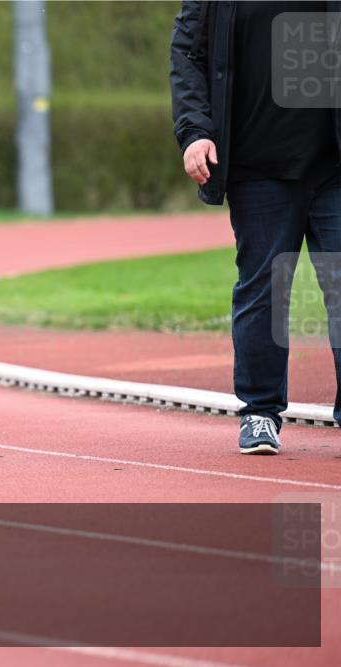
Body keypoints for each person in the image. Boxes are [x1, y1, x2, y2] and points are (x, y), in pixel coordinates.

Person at [170, 1, 341, 454]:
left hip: (334, 167)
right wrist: (194, 132)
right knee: (263, 290)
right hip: (257, 168)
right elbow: (188, 55)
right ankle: (260, 412)